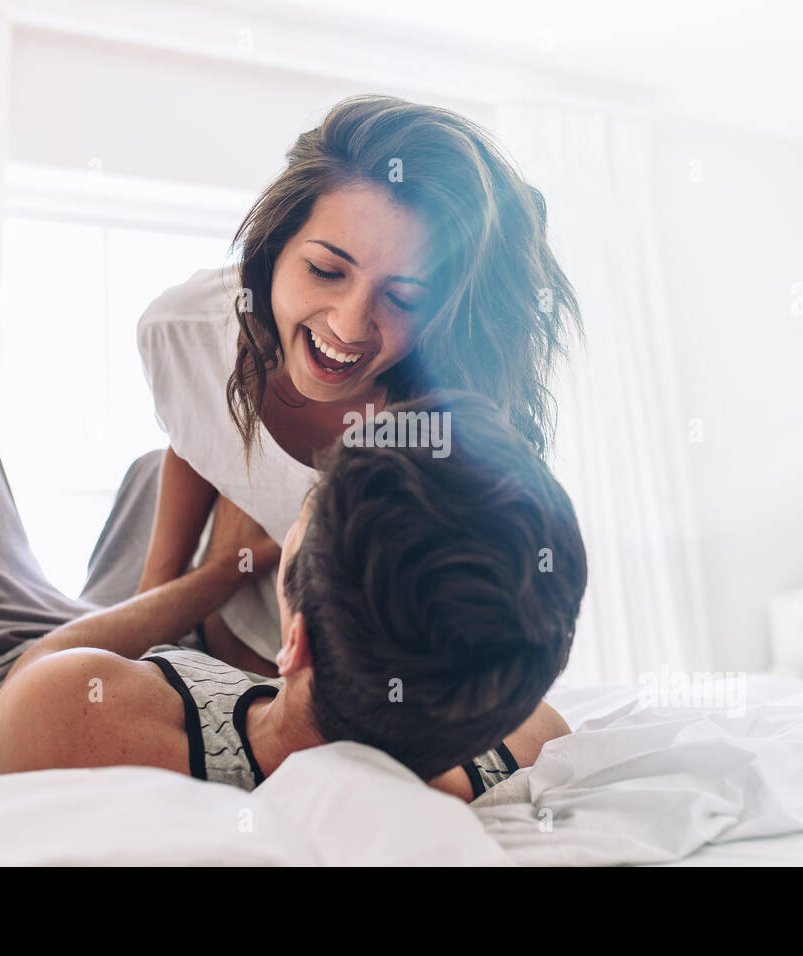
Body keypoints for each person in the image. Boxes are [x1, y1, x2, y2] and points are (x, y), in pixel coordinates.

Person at [0, 386, 585, 800]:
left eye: (305, 515)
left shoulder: (52, 716)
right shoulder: (501, 744)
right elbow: (537, 716)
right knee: (161, 468)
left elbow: (39, 677)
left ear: (299, 642)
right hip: (140, 674)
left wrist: (224, 575)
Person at [134, 94, 582, 686]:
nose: (347, 326)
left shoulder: (450, 440)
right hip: (190, 589)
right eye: (325, 270)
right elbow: (196, 432)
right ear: (274, 248)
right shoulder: (182, 331)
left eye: (405, 299)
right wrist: (153, 601)